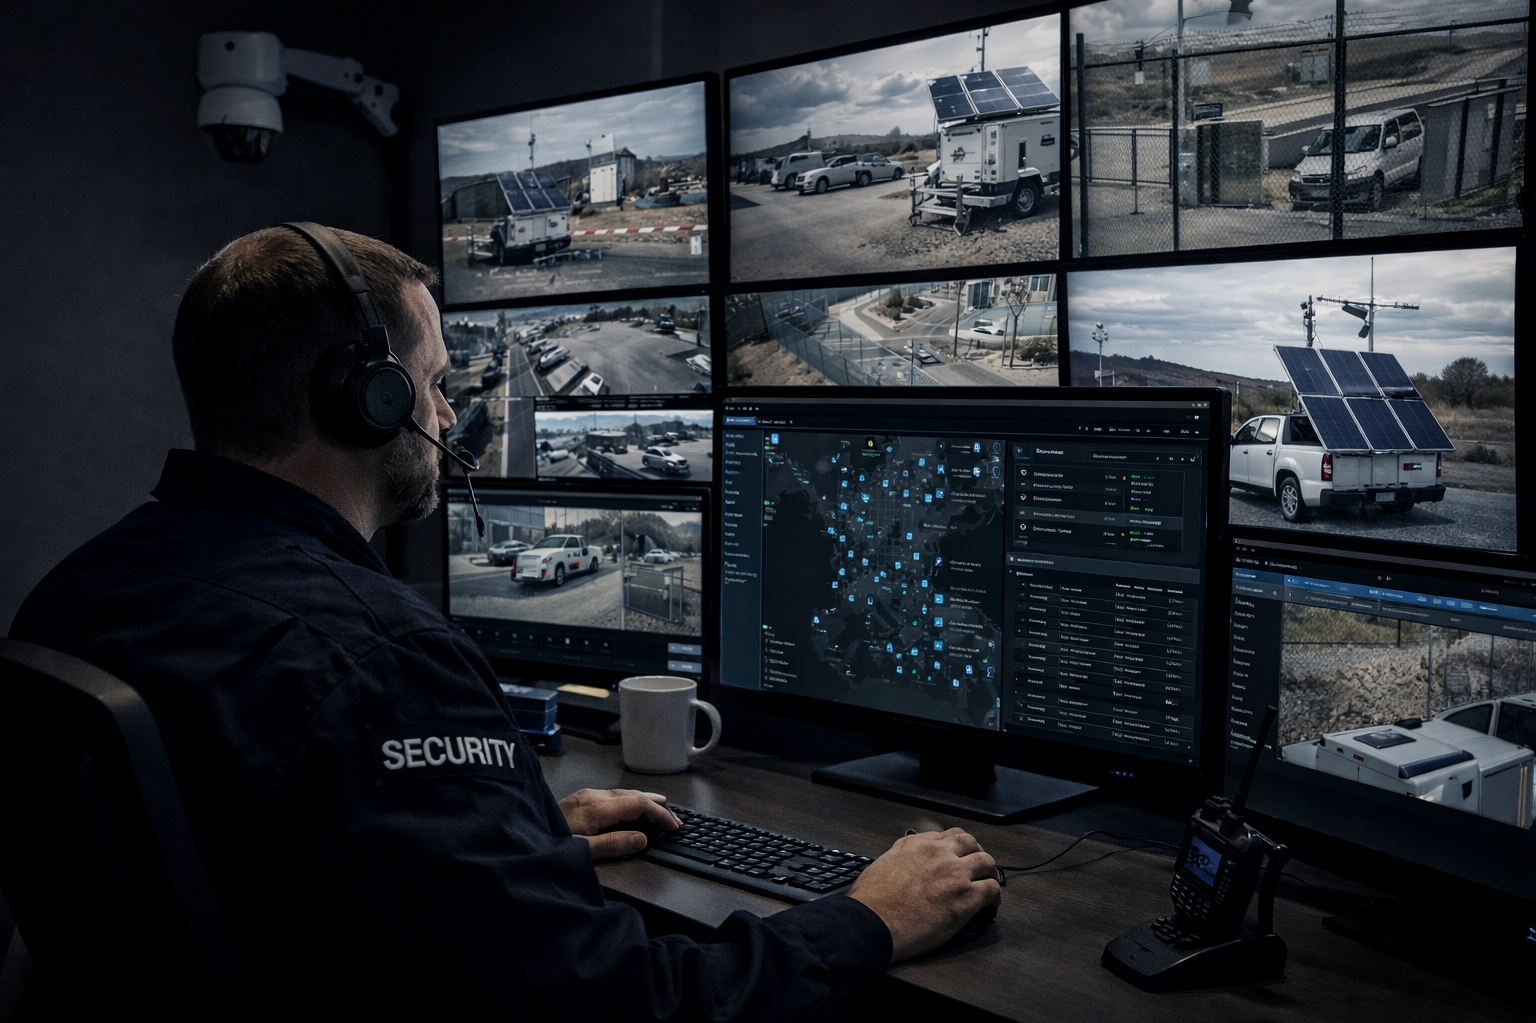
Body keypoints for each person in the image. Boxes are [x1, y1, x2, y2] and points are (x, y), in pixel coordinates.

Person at [10, 226, 1001, 1019]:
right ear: (367, 400)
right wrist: (870, 917)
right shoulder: (380, 657)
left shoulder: (74, 594)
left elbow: (246, 838)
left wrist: (488, 835)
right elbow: (623, 1003)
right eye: (437, 384)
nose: (448, 417)